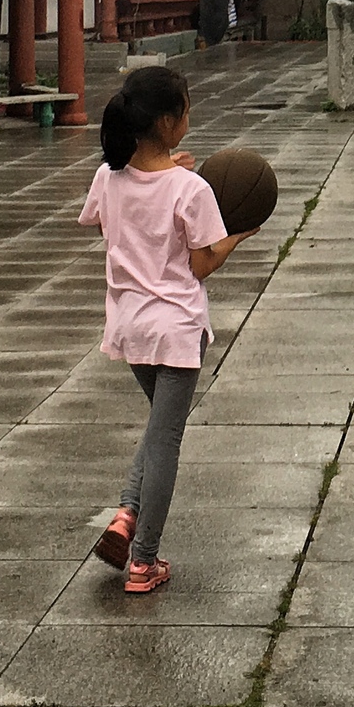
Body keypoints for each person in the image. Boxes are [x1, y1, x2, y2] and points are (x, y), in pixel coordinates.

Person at [83, 65, 258, 594]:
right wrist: (240, 234)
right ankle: (144, 560)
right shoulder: (191, 188)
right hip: (177, 329)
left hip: (130, 327)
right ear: (166, 121)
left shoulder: (106, 177)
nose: (190, 116)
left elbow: (104, 216)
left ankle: (125, 517)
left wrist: (157, 172)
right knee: (167, 441)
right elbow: (203, 263)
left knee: (158, 431)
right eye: (186, 108)